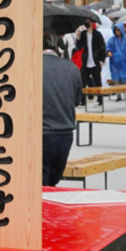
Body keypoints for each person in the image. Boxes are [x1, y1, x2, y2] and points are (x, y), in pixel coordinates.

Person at [42, 31, 83, 186]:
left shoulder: (31, 66)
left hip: (42, 132)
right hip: (65, 132)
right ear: (57, 46)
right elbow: (77, 100)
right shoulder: (72, 68)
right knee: (53, 182)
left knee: (41, 183)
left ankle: (43, 211)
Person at [79, 20, 107, 92]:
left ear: (92, 23)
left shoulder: (97, 34)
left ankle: (99, 100)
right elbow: (79, 46)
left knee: (97, 80)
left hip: (96, 60)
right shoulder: (83, 34)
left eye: (88, 22)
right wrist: (78, 38)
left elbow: (102, 47)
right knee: (83, 80)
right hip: (86, 60)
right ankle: (83, 100)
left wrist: (102, 60)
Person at [105, 25, 126, 90]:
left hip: (125, 62)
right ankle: (118, 95)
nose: (117, 31)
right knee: (116, 79)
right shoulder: (112, 40)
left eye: (118, 30)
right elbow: (108, 47)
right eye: (115, 30)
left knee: (125, 78)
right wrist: (109, 52)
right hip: (115, 63)